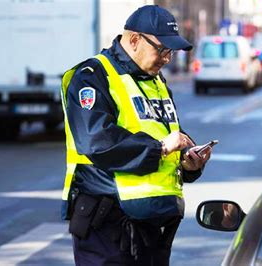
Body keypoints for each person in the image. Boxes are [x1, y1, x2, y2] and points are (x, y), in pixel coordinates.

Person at [60, 5, 212, 266]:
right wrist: (161, 148)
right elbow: (97, 140)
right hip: (106, 223)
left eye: (171, 52)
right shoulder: (92, 77)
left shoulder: (156, 81)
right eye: (162, 50)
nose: (167, 59)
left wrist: (188, 160)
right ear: (134, 40)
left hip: (152, 224)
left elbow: (166, 132)